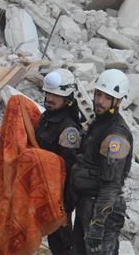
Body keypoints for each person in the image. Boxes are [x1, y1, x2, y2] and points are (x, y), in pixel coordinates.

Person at [69, 69, 133, 255]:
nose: (99, 101)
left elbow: (111, 186)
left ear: (118, 101)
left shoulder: (116, 135)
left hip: (101, 213)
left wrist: (97, 226)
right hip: (86, 205)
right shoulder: (100, 122)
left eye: (107, 97)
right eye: (98, 94)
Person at [37, 69, 83, 255]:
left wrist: (63, 206)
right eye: (48, 93)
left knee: (61, 241)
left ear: (67, 98)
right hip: (42, 189)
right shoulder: (47, 117)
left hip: (58, 198)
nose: (49, 98)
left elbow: (70, 171)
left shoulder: (69, 130)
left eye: (55, 95)